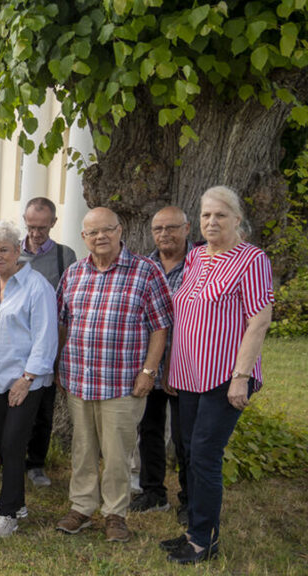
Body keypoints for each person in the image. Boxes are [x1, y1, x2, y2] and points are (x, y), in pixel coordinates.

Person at [159, 186, 273, 564]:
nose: (211, 221)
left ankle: (204, 542)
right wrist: (173, 369)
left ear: (236, 220)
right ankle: (194, 530)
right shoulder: (193, 257)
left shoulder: (251, 259)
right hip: (188, 375)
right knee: (188, 452)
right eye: (206, 215)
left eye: (220, 215)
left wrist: (241, 376)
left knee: (205, 455)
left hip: (226, 376)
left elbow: (259, 321)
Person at [55, 207, 173, 543]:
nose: (100, 237)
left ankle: (115, 514)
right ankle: (82, 507)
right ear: (83, 238)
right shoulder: (74, 273)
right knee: (83, 449)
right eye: (92, 232)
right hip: (79, 379)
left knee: (119, 453)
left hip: (123, 382)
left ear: (120, 231)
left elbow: (160, 327)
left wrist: (149, 371)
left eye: (107, 230)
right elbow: (63, 323)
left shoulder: (145, 272)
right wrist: (59, 365)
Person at [0, 197, 79, 487]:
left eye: (42, 227)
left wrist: (33, 372)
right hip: (0, 370)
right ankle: (6, 485)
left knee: (38, 417)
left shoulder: (59, 260)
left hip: (38, 357)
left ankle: (32, 471)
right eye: (31, 226)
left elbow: (56, 318)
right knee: (5, 433)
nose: (36, 232)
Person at [0, 222, 57, 537]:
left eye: (3, 250)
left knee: (12, 444)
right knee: (0, 442)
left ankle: (9, 514)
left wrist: (27, 378)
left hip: (25, 381)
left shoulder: (37, 287)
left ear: (17, 250)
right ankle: (15, 501)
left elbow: (46, 339)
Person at [131, 206, 193, 521]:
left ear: (186, 228)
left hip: (188, 367)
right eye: (158, 229)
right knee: (150, 430)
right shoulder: (144, 265)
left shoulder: (201, 263)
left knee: (185, 437)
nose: (164, 234)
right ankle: (153, 492)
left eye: (171, 227)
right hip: (149, 365)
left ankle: (189, 499)